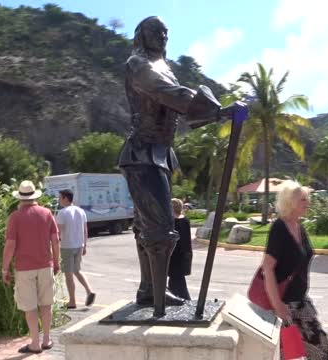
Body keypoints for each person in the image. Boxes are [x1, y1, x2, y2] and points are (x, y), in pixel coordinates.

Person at [118, 16, 248, 316]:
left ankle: (150, 290)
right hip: (142, 153)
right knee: (160, 229)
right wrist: (218, 111)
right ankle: (157, 303)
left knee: (146, 227)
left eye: (166, 32)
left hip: (159, 152)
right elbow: (166, 92)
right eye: (156, 31)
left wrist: (215, 113)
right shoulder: (138, 64)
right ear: (142, 34)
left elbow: (178, 104)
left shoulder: (164, 65)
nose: (163, 36)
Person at [261, 180, 328, 359]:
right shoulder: (279, 228)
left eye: (307, 198)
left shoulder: (299, 227)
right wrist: (277, 305)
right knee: (288, 353)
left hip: (300, 300)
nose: (308, 203)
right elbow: (267, 268)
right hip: (284, 302)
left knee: (320, 345)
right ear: (290, 202)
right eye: (302, 199)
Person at [2, 180, 60, 354]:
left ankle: (35, 343)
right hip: (45, 265)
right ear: (35, 195)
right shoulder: (47, 213)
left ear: (19, 197)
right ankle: (47, 339)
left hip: (24, 268)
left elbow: (10, 244)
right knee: (46, 304)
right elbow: (55, 241)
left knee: (30, 306)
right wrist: (56, 262)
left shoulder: (15, 217)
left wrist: (4, 268)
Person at [57, 189, 96, 309]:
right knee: (77, 270)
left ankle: (72, 301)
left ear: (65, 198)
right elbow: (85, 230)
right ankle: (89, 291)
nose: (59, 200)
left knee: (68, 274)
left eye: (60, 198)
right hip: (79, 245)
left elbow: (57, 232)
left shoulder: (62, 212)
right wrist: (85, 245)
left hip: (67, 246)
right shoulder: (81, 211)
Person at [167, 198, 192, 300]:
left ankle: (184, 299)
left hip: (174, 254)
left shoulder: (171, 221)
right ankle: (176, 298)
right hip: (184, 253)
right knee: (176, 279)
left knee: (176, 280)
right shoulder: (185, 220)